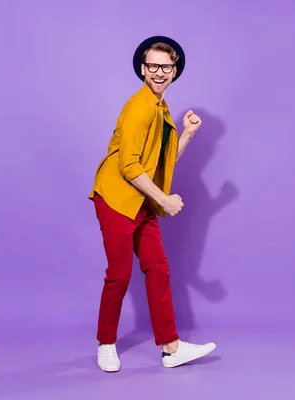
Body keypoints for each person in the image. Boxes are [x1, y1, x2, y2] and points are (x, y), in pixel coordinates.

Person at [88, 35, 216, 372]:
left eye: (166, 66)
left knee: (157, 268)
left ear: (175, 71)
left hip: (142, 199)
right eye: (153, 66)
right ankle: (106, 343)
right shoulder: (138, 106)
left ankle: (171, 348)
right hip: (116, 198)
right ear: (143, 70)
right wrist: (163, 199)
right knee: (119, 273)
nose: (159, 72)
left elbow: (161, 162)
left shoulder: (161, 108)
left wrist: (186, 133)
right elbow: (129, 166)